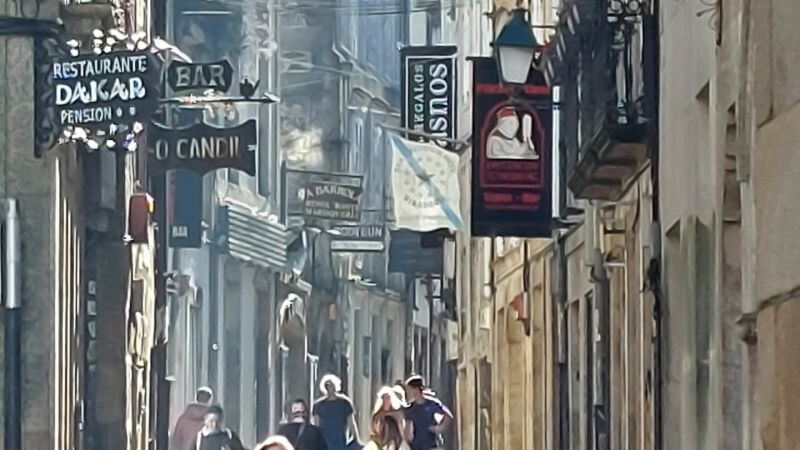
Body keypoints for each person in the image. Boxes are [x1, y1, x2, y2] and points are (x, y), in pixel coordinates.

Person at [312, 374, 362, 450]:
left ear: (335, 385)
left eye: (331, 385)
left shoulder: (344, 403)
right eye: (327, 385)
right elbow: (316, 425)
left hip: (340, 440)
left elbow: (351, 423)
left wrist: (357, 440)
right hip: (324, 441)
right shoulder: (318, 405)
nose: (329, 388)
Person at [404, 376, 453, 450]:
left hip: (432, 445)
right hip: (416, 446)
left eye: (409, 389)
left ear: (416, 389)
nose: (407, 392)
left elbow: (448, 415)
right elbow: (407, 430)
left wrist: (439, 428)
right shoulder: (410, 408)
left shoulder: (432, 404)